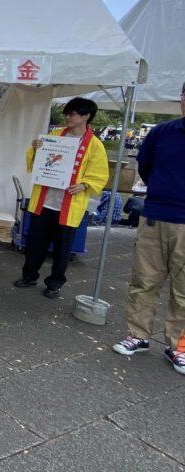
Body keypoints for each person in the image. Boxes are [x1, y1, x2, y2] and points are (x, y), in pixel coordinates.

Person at [112, 82, 185, 375]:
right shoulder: (162, 133)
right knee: (144, 280)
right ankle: (138, 334)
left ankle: (178, 346)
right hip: (155, 215)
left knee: (183, 290)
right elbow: (145, 166)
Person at [14, 97, 109, 298]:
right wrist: (35, 148)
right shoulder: (55, 136)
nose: (67, 117)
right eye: (66, 113)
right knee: (35, 243)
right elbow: (36, 163)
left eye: (72, 113)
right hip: (45, 201)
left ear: (86, 116)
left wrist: (84, 184)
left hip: (70, 205)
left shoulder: (94, 145)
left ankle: (55, 283)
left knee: (63, 248)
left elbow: (99, 174)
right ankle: (29, 275)